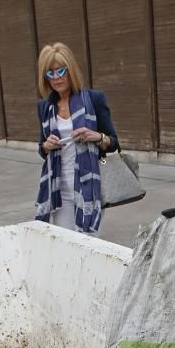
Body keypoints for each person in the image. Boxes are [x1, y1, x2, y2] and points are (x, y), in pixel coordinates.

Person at [35, 42, 118, 235]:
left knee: (87, 244)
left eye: (60, 71)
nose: (56, 78)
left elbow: (113, 142)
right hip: (58, 189)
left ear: (70, 69)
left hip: (88, 187)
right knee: (66, 244)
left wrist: (95, 136)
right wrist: (46, 146)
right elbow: (42, 148)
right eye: (50, 73)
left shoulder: (94, 99)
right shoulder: (45, 107)